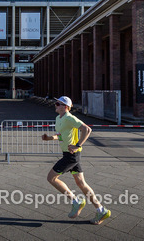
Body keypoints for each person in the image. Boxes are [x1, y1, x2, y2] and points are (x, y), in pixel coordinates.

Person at [41, 96, 112, 225]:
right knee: (81, 183)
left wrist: (78, 145)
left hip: (71, 155)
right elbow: (61, 135)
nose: (55, 105)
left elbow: (87, 129)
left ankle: (76, 201)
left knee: (51, 178)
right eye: (56, 103)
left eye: (58, 103)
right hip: (71, 155)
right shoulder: (59, 118)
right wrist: (49, 138)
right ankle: (101, 210)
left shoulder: (69, 118)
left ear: (66, 107)